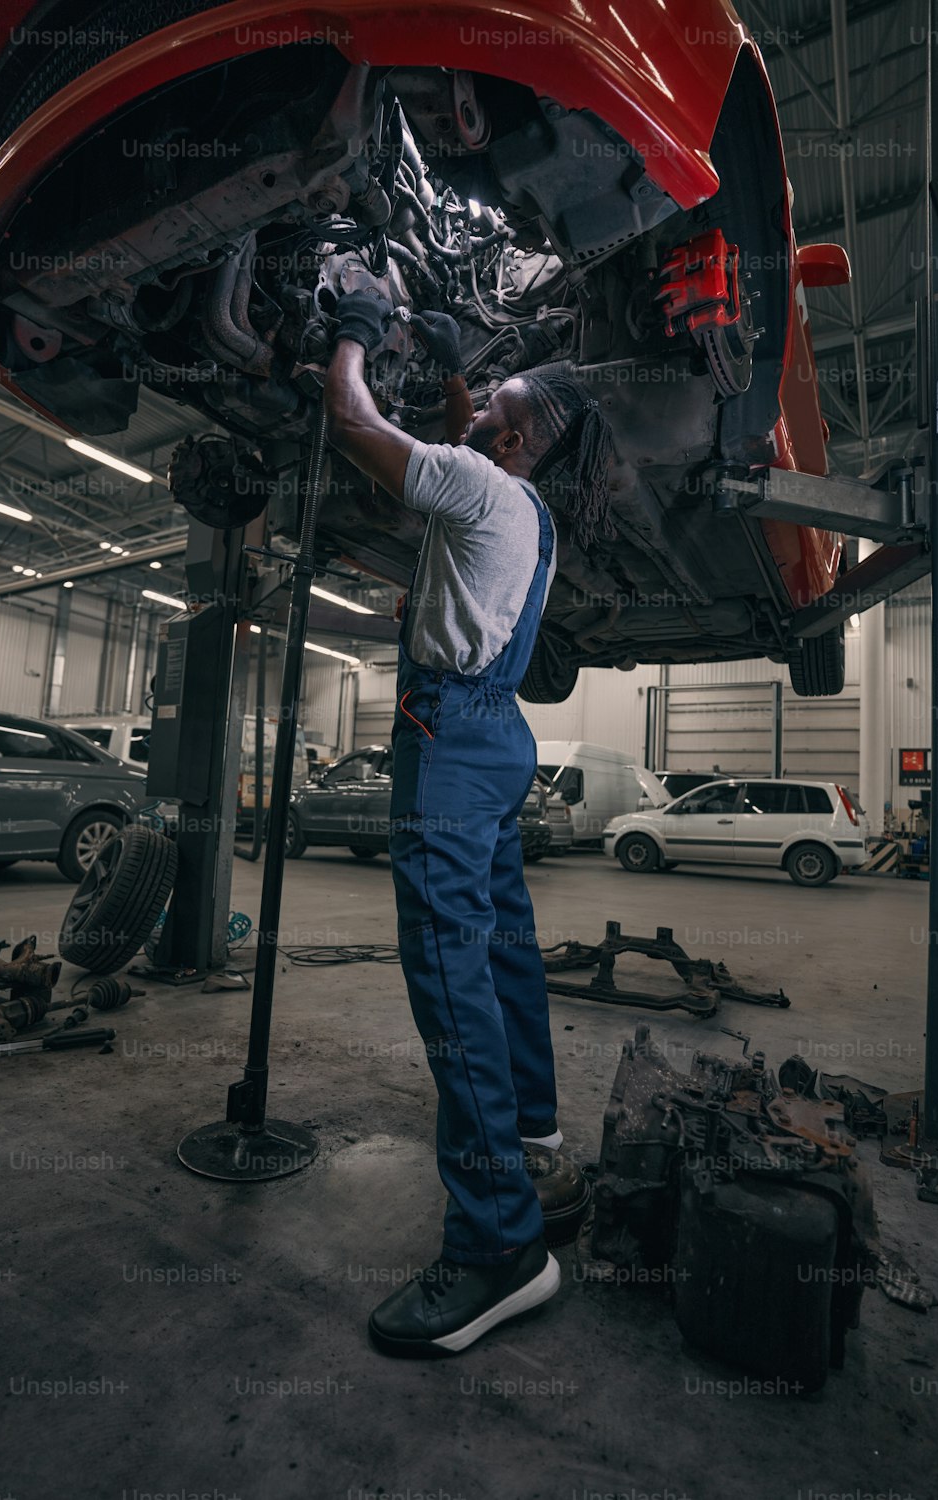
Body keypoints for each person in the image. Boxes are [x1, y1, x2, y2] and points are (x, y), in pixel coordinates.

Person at [323, 288, 613, 1358]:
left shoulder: (478, 488)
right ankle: (534, 1142)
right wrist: (451, 368)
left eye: (493, 400)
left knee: (451, 981)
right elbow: (465, 439)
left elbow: (355, 426)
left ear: (520, 435)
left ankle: (500, 1249)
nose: (476, 406)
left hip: (447, 738)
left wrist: (349, 329)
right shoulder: (525, 511)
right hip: (498, 737)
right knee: (501, 951)